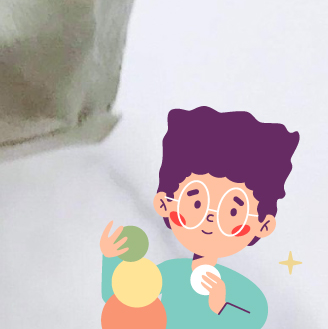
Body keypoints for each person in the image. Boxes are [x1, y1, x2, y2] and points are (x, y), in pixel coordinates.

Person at [100, 106, 299, 326]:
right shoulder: (170, 273)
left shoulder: (243, 291)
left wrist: (220, 307)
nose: (210, 218)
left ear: (263, 225)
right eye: (197, 203)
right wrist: (111, 258)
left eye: (233, 211)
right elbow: (121, 297)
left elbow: (255, 319)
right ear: (165, 203)